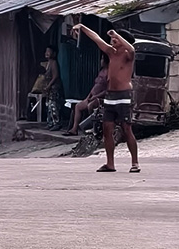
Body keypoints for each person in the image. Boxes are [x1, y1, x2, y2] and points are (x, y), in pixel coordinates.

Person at [70, 25, 140, 173]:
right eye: (112, 38)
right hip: (110, 96)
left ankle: (135, 163)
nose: (112, 40)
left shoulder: (128, 55)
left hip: (124, 96)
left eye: (116, 38)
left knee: (127, 129)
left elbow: (132, 49)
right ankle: (110, 164)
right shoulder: (111, 53)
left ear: (123, 41)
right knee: (107, 130)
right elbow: (96, 38)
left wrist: (116, 34)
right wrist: (82, 27)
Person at [64, 55, 108, 136]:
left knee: (90, 106)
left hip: (101, 98)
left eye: (102, 59)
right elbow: (95, 86)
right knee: (78, 106)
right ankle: (74, 129)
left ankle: (93, 127)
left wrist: (96, 96)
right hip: (92, 96)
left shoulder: (109, 73)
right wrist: (88, 97)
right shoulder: (101, 71)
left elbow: (107, 90)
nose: (101, 61)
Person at [42, 46, 64, 130]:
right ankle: (50, 123)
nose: (47, 53)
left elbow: (55, 76)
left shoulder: (53, 62)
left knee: (54, 105)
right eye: (46, 51)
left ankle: (57, 123)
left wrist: (49, 85)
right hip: (50, 88)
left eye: (49, 51)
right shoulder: (48, 63)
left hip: (54, 87)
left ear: (54, 53)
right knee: (49, 105)